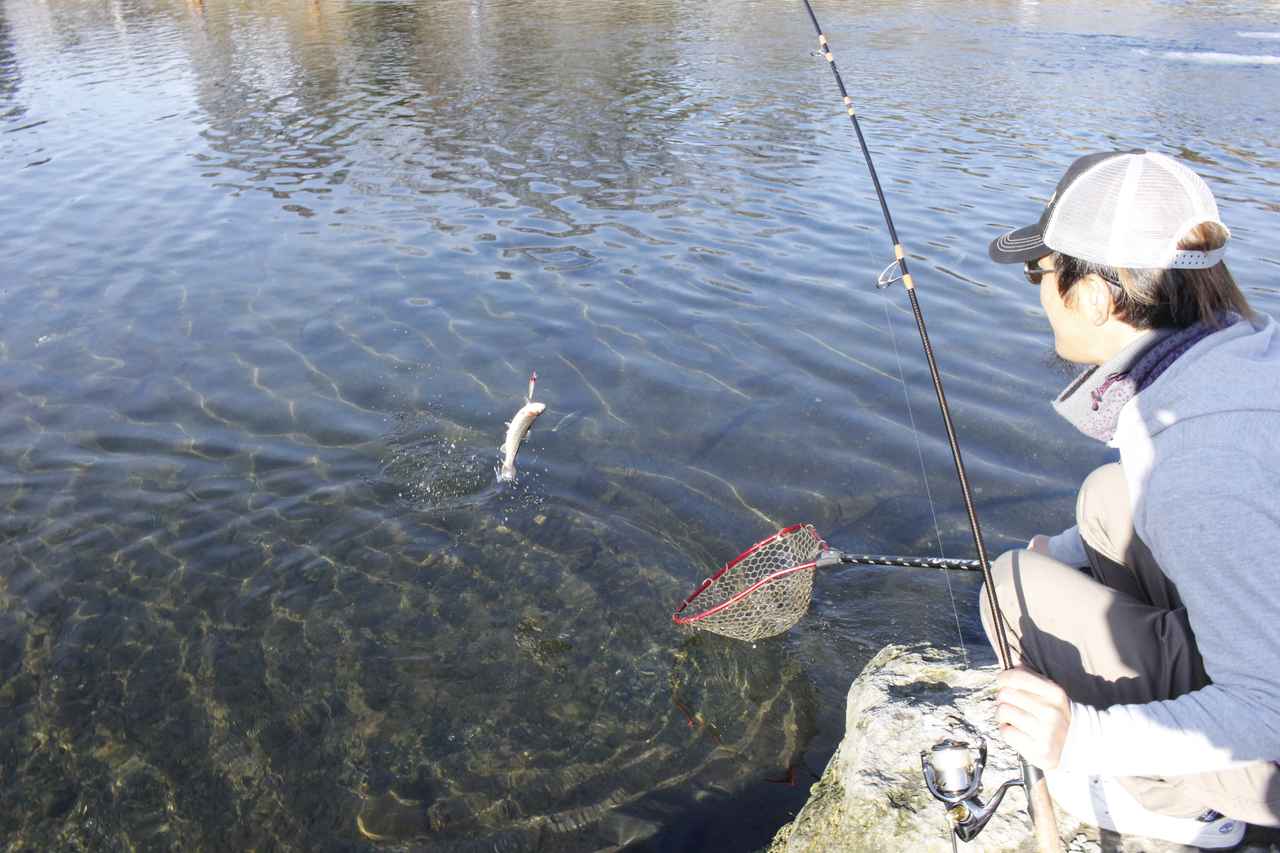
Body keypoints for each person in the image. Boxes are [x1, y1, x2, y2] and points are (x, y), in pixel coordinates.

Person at [982, 150, 1280, 848]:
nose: (1038, 290)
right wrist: (1071, 553)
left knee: (1010, 588)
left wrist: (1080, 736)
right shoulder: (1236, 358)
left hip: (1268, 740)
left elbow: (1270, 706)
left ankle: (1183, 805)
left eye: (1042, 271)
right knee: (1106, 499)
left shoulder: (1201, 463)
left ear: (1092, 298)